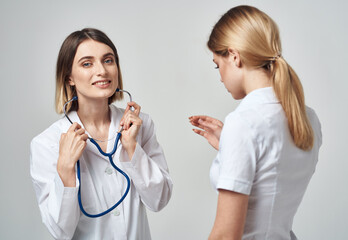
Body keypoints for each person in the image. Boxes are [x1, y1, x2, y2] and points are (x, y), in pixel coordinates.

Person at [189, 5, 322, 240]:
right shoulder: (308, 118)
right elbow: (272, 176)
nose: (219, 76)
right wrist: (229, 146)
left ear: (234, 56)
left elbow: (226, 235)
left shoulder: (243, 122)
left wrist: (236, 137)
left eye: (217, 65)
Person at [30, 28, 172, 240]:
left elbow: (159, 200)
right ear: (69, 77)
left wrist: (133, 149)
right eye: (87, 63)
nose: (102, 71)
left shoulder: (139, 126)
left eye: (108, 60)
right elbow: (60, 232)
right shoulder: (46, 143)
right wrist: (65, 169)